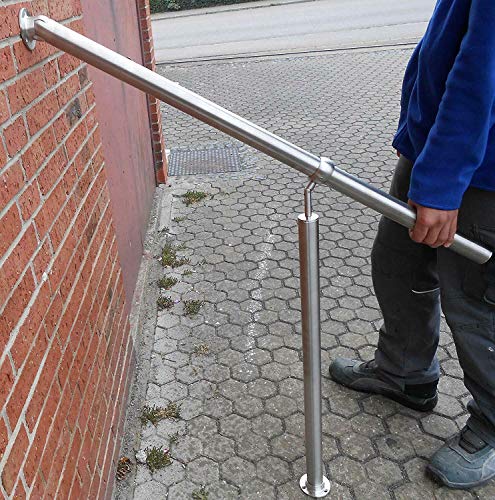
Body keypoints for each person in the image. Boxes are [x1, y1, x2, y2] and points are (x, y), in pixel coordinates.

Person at [329, 0, 495, 490]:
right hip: (435, 154)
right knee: (397, 263)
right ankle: (406, 373)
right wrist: (416, 137)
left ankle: (491, 422)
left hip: (478, 173)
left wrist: (442, 183)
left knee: (475, 301)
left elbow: (482, 68)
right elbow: (446, 41)